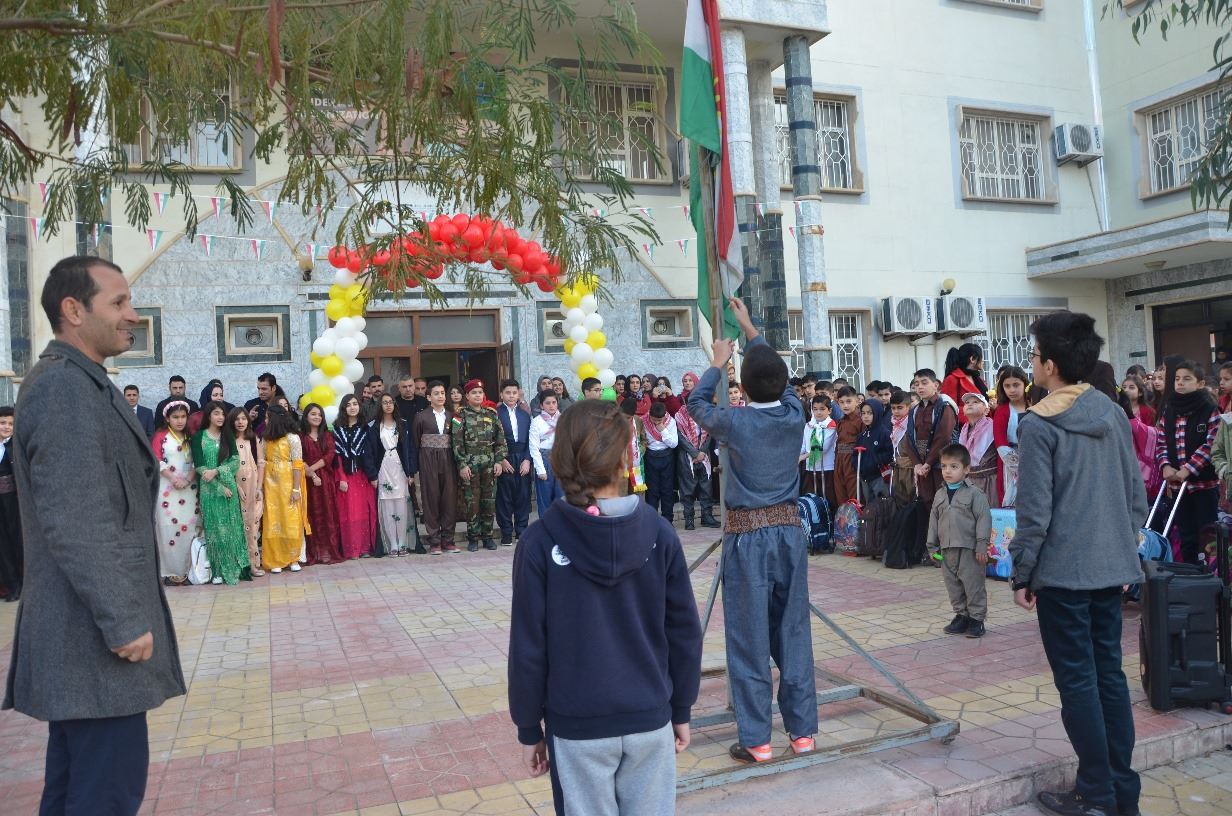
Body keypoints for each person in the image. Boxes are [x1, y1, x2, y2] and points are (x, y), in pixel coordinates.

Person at [5, 255, 185, 813]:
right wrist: (123, 621)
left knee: (73, 791)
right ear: (73, 310)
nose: (133, 315)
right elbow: (77, 523)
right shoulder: (64, 391)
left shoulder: (84, 384)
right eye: (119, 303)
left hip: (87, 644)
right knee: (103, 795)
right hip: (95, 641)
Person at [508, 399, 703, 816]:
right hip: (649, 718)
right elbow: (684, 632)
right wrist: (681, 706)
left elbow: (528, 645)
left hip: (577, 725)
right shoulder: (660, 532)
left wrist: (529, 727)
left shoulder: (540, 541)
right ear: (626, 456)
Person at [1009, 311, 1146, 816]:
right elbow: (1136, 494)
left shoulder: (1039, 424)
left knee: (1080, 682)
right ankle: (1120, 792)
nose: (1030, 363)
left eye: (1033, 355)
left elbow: (1034, 510)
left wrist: (1023, 570)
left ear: (1050, 364)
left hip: (1064, 575)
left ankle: (1096, 792)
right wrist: (1120, 546)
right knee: (1109, 674)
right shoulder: (1110, 412)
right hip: (1111, 569)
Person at [688, 296, 817, 764]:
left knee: (748, 641)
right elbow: (775, 379)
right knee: (793, 633)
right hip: (789, 534)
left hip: (747, 540)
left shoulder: (734, 421)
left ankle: (758, 740)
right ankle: (802, 734)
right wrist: (751, 332)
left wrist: (716, 365)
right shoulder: (793, 413)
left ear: (742, 385)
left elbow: (695, 402)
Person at [1155, 360, 1222, 565]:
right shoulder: (1170, 408)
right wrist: (1166, 466)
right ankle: (1190, 577)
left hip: (1204, 486)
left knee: (1207, 535)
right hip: (1177, 485)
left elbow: (1211, 444)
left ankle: (1211, 579)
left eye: (1187, 379)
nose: (1180, 383)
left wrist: (1187, 469)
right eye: (1177, 379)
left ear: (1200, 384)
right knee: (1186, 535)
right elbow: (1161, 440)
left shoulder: (1210, 408)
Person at [926, 443, 992, 639]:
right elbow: (933, 521)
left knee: (973, 585)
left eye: (954, 467)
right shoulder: (940, 494)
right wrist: (931, 546)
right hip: (946, 550)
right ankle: (961, 615)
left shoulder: (975, 494)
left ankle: (977, 619)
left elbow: (983, 519)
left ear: (966, 470)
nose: (947, 471)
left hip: (969, 550)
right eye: (944, 466)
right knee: (953, 585)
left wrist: (982, 544)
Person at [191, 400, 249, 585]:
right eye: (217, 413)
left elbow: (234, 462)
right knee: (215, 530)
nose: (221, 417)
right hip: (210, 491)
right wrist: (217, 486)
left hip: (229, 489)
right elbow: (200, 466)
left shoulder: (227, 436)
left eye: (223, 414)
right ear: (208, 415)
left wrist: (216, 471)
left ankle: (235, 568)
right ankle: (217, 570)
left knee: (232, 529)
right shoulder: (198, 437)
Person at [453, 379, 508, 551]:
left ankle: (488, 537)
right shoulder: (459, 416)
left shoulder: (491, 414)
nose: (478, 395)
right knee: (472, 502)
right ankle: (473, 538)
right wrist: (462, 464)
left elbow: (500, 441)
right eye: (474, 393)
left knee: (489, 502)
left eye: (480, 392)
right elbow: (456, 442)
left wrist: (499, 461)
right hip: (470, 465)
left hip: (489, 466)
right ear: (467, 396)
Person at [152, 402, 201, 585]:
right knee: (167, 529)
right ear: (167, 418)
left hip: (190, 489)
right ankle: (169, 572)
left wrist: (187, 479)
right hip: (167, 491)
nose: (180, 421)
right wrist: (173, 478)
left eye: (182, 417)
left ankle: (189, 571)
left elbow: (198, 460)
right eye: (175, 417)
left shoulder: (192, 436)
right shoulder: (160, 436)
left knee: (189, 528)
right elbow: (156, 460)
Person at [366, 393, 417, 556]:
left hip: (400, 468)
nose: (388, 405)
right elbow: (368, 453)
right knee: (387, 506)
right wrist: (373, 475)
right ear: (379, 405)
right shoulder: (373, 426)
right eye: (384, 402)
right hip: (383, 468)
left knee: (401, 505)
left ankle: (402, 543)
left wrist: (410, 473)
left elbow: (409, 449)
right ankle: (392, 544)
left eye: (391, 402)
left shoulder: (402, 424)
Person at [413, 382, 459, 555]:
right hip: (428, 460)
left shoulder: (452, 415)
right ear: (428, 397)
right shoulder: (421, 417)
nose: (440, 396)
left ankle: (448, 539)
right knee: (431, 499)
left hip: (448, 459)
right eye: (436, 393)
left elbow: (457, 438)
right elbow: (416, 441)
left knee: (449, 499)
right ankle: (434, 541)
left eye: (442, 393)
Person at [261, 405, 308, 573]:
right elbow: (262, 462)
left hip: (289, 484)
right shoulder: (265, 439)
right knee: (273, 520)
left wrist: (296, 489)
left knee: (291, 520)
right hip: (270, 483)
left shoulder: (293, 438)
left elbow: (297, 464)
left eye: (267, 418)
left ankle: (293, 558)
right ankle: (274, 560)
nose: (265, 421)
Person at [906, 369, 958, 510]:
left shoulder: (944, 406)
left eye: (924, 383)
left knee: (945, 502)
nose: (920, 387)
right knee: (926, 503)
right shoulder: (914, 410)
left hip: (941, 462)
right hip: (922, 465)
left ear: (936, 385)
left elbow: (944, 437)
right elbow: (909, 439)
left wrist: (928, 462)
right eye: (916, 384)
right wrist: (917, 464)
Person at [333, 395, 376, 559]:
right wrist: (342, 477)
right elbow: (337, 456)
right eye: (348, 405)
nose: (352, 407)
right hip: (346, 477)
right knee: (348, 513)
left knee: (363, 511)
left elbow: (370, 454)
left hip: (362, 476)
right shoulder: (337, 428)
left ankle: (364, 548)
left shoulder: (366, 428)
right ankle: (350, 549)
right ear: (344, 408)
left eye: (355, 404)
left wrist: (372, 475)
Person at [301, 404, 345, 565]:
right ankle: (314, 553)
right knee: (311, 515)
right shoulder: (300, 437)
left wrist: (312, 469)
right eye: (313, 414)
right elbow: (299, 459)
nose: (317, 417)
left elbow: (330, 455)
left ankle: (329, 552)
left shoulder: (326, 435)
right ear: (306, 416)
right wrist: (311, 475)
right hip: (307, 482)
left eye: (320, 415)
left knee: (327, 515)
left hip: (325, 480)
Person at [226, 407, 266, 577]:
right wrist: (235, 485)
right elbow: (226, 466)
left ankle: (253, 564)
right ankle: (238, 565)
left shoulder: (253, 439)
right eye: (237, 419)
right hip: (237, 491)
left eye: (244, 418)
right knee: (238, 527)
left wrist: (259, 488)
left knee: (253, 526)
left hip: (253, 490)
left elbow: (261, 464)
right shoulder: (228, 441)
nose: (241, 422)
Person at [676, 374, 718, 530]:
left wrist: (701, 452)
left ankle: (707, 517)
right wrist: (694, 453)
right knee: (688, 491)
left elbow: (709, 435)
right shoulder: (680, 414)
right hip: (687, 458)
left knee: (706, 489)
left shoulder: (705, 414)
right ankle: (689, 519)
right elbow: (680, 437)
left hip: (704, 456)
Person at [496, 379, 533, 546]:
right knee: (504, 498)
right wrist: (501, 459)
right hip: (505, 457)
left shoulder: (525, 414)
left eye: (514, 393)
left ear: (519, 394)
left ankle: (522, 532)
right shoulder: (495, 414)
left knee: (523, 496)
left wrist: (527, 459)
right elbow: (492, 439)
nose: (511, 396)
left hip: (522, 457)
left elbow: (531, 440)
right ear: (501, 394)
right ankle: (505, 532)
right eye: (508, 393)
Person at [992, 366, 1031, 507]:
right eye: (1007, 386)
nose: (1012, 390)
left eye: (1016, 385)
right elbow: (1000, 443)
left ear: (1025, 384)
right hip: (1010, 465)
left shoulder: (1035, 406)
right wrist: (1020, 468)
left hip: (1036, 459)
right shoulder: (1002, 411)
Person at [643, 402, 679, 524]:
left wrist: (662, 430)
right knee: (652, 491)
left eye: (660, 420)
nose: (657, 422)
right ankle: (652, 521)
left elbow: (674, 443)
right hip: (650, 457)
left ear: (664, 416)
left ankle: (667, 521)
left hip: (667, 457)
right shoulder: (643, 421)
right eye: (654, 420)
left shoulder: (670, 422)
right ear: (649, 415)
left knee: (667, 490)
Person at [958, 393, 998, 503]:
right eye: (967, 403)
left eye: (975, 402)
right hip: (969, 479)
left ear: (986, 410)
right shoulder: (964, 429)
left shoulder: (992, 426)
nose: (970, 404)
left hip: (989, 479)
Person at [0, 407, 22, 601]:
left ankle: (21, 585)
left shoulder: (17, 446)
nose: (6, 427)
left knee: (16, 541)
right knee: (2, 544)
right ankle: (10, 584)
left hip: (13, 502)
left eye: (10, 424)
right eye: (2, 423)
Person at [799, 394, 837, 502]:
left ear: (829, 410)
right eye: (815, 409)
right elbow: (803, 445)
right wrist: (795, 456)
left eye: (822, 409)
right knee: (811, 497)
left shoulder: (831, 426)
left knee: (827, 496)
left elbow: (822, 448)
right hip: (810, 467)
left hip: (826, 467)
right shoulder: (808, 426)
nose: (818, 412)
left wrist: (802, 457)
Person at [940, 344, 988, 425]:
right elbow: (948, 409)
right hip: (965, 427)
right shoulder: (952, 379)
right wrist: (975, 412)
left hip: (984, 426)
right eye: (981, 358)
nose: (983, 361)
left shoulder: (978, 379)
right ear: (972, 359)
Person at [855, 398, 893, 501]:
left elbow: (889, 453)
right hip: (865, 477)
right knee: (869, 505)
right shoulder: (861, 435)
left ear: (877, 413)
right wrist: (857, 466)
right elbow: (855, 454)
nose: (866, 416)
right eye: (863, 413)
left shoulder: (884, 433)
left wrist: (875, 462)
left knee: (882, 504)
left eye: (870, 413)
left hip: (879, 476)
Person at [831, 386, 863, 505]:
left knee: (854, 494)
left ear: (857, 401)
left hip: (853, 460)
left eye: (849, 401)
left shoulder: (861, 420)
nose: (845, 405)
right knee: (840, 494)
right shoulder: (840, 421)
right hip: (839, 460)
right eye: (842, 402)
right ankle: (843, 523)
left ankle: (857, 522)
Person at [889, 390, 915, 505]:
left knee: (911, 499)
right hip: (897, 467)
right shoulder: (894, 423)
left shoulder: (912, 423)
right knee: (899, 500)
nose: (896, 411)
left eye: (900, 407)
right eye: (893, 408)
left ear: (908, 407)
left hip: (910, 469)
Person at [1212, 363, 1232, 512]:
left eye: (1227, 379)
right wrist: (1224, 469)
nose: (1222, 382)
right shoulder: (1224, 405)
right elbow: (1217, 448)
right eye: (1221, 378)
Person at [621, 398, 649, 495]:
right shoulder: (612, 421)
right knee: (622, 496)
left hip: (636, 464)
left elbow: (644, 440)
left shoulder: (637, 420)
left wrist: (639, 451)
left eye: (628, 418)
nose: (625, 420)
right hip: (620, 467)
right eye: (623, 417)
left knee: (637, 497)